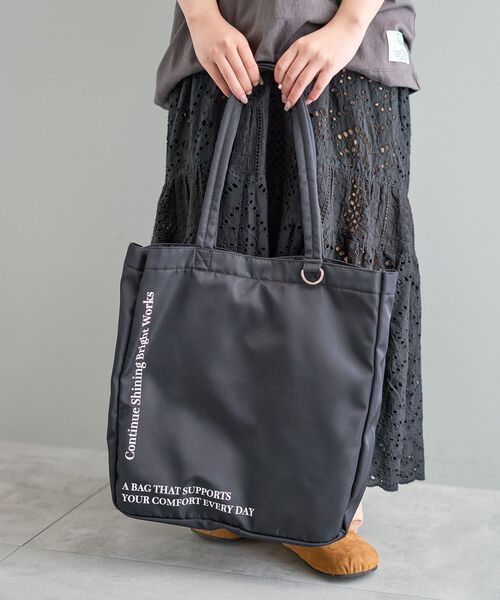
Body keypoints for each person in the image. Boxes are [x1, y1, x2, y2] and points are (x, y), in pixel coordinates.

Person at [151, 0, 423, 578]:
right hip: (223, 50)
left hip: (348, 55)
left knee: (340, 277)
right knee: (221, 264)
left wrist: (348, 25)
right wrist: (203, 20)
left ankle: (322, 501)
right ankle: (224, 485)